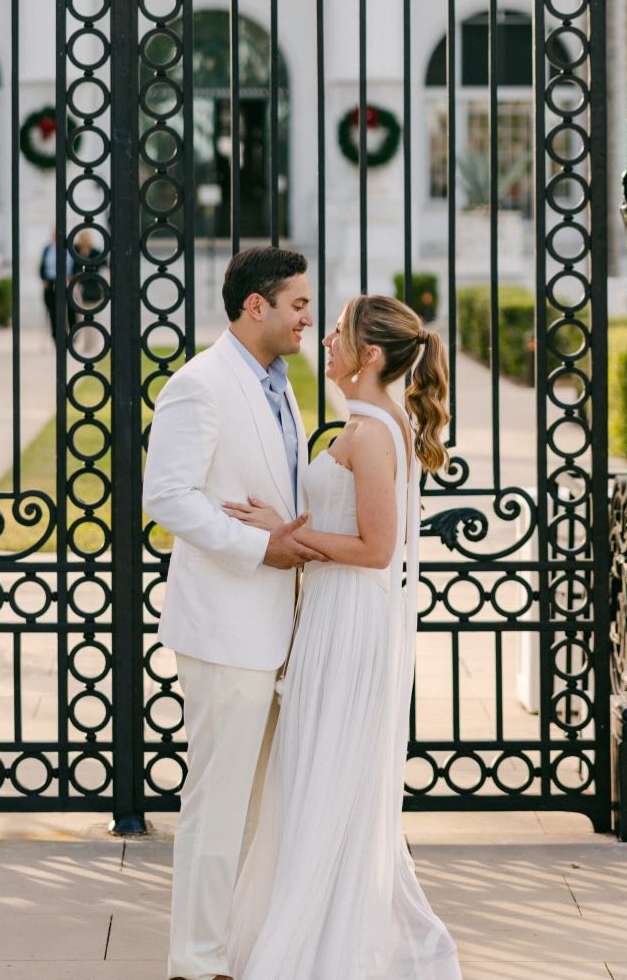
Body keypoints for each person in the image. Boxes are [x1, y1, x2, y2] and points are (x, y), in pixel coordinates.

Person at [224, 293, 462, 980]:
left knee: (323, 774)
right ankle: (314, 923)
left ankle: (325, 944)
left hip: (353, 624)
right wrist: (288, 520)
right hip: (329, 616)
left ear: (371, 354)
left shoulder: (372, 433)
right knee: (312, 774)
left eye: (336, 334)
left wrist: (285, 534)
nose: (323, 340)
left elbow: (376, 548)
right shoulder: (362, 422)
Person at [143, 247, 320, 980]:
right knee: (216, 805)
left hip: (281, 624)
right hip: (224, 627)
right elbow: (167, 497)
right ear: (257, 305)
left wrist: (287, 532)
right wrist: (260, 545)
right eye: (298, 304)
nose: (309, 316)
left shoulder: (282, 383)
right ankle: (196, 960)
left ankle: (239, 946)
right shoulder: (200, 384)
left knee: (260, 805)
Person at [38, 227, 72, 340]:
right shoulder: (47, 248)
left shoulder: (69, 248)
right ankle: (56, 337)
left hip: (66, 282)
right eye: (53, 234)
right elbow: (42, 266)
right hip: (51, 282)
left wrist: (72, 279)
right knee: (53, 311)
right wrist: (43, 279)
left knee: (70, 310)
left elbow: (74, 265)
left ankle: (71, 336)